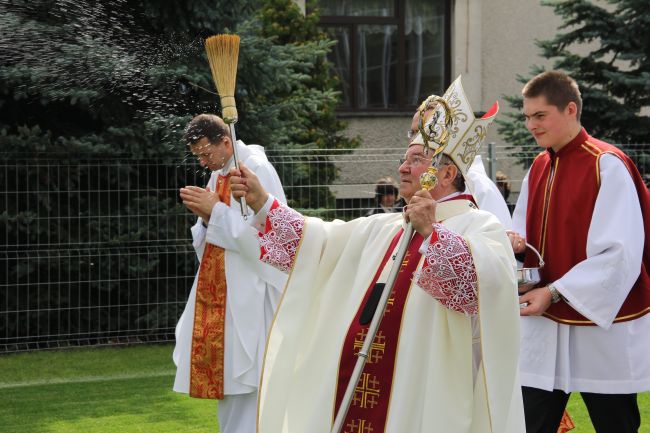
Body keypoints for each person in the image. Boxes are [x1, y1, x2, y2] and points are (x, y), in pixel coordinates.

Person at [231, 77, 525, 433]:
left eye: (417, 160)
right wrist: (263, 203)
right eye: (404, 159)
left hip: (424, 386)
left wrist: (433, 234)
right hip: (360, 372)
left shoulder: (479, 225)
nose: (402, 167)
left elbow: (483, 289)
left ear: (447, 174)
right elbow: (322, 244)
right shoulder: (387, 227)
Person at [508, 71, 650, 433]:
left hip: (600, 327)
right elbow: (523, 233)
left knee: (614, 424)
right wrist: (516, 247)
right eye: (527, 116)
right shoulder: (539, 166)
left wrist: (553, 292)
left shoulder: (607, 164)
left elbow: (620, 255)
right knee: (530, 423)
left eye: (540, 116)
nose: (531, 125)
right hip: (544, 326)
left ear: (570, 109)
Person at [172, 114, 287, 433]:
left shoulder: (256, 168)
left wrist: (215, 212)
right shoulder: (219, 172)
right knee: (229, 382)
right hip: (224, 290)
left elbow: (272, 236)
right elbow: (210, 229)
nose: (203, 161)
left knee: (251, 383)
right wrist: (207, 219)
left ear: (225, 142)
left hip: (253, 292)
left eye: (206, 153)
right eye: (198, 156)